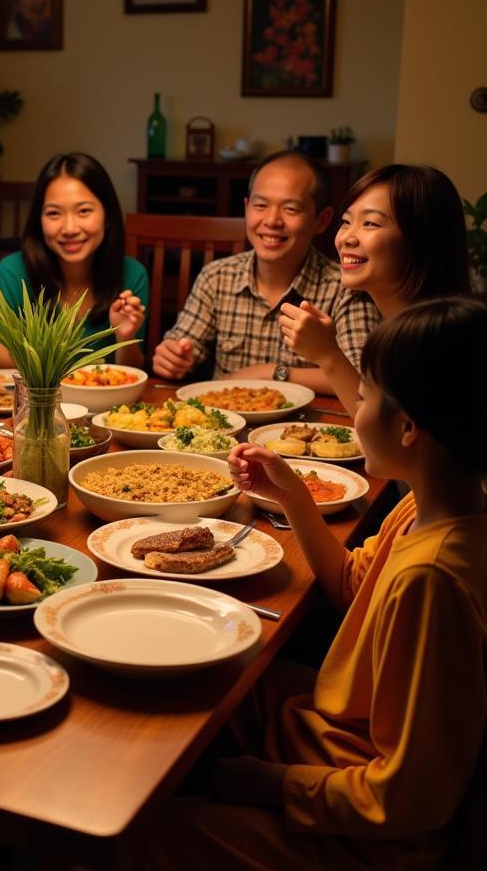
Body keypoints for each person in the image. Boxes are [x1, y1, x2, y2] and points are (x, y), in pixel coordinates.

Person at [145, 295, 487, 869]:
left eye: (367, 392)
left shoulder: (434, 579)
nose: (355, 408)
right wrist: (293, 495)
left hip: (366, 833)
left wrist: (269, 784)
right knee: (199, 684)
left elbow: (410, 796)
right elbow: (350, 586)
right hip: (330, 736)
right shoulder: (427, 511)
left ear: (407, 428)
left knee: (150, 835)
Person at [153, 151, 379, 392]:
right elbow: (184, 345)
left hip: (308, 424)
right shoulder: (217, 277)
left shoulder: (346, 288)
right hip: (224, 420)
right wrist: (173, 357)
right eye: (260, 205)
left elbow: (363, 382)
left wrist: (272, 373)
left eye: (291, 209)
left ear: (321, 221)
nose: (272, 220)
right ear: (246, 208)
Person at [279, 164, 470, 417]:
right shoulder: (395, 327)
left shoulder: (443, 340)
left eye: (370, 223)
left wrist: (327, 354)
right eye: (346, 221)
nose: (347, 237)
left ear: (421, 239)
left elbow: (393, 441)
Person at [0, 152, 147, 368]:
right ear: (39, 219)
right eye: (54, 214)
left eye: (84, 211)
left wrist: (125, 338)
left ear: (108, 215)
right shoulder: (12, 271)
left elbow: (133, 371)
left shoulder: (131, 274)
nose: (70, 229)